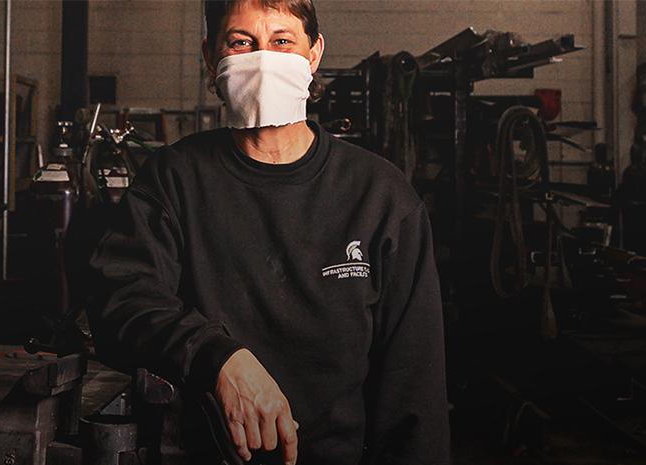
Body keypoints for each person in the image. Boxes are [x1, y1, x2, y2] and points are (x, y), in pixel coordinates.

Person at [87, 1, 451, 464]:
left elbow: (414, 389)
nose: (263, 60)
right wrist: (216, 357)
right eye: (241, 43)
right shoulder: (172, 180)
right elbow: (119, 300)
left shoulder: (382, 198)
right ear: (210, 57)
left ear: (314, 54)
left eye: (282, 41)